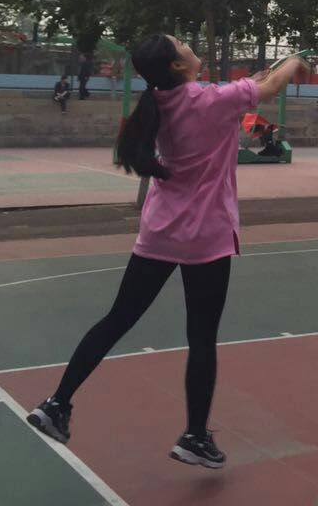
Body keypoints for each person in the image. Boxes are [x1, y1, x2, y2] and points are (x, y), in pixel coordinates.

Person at [26, 35, 303, 468]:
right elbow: (270, 87)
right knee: (202, 337)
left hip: (160, 231)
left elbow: (241, 91)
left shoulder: (162, 100)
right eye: (182, 44)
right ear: (177, 65)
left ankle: (57, 403)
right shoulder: (213, 100)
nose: (190, 45)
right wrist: (296, 60)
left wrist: (254, 81)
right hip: (206, 236)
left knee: (118, 318)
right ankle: (195, 436)